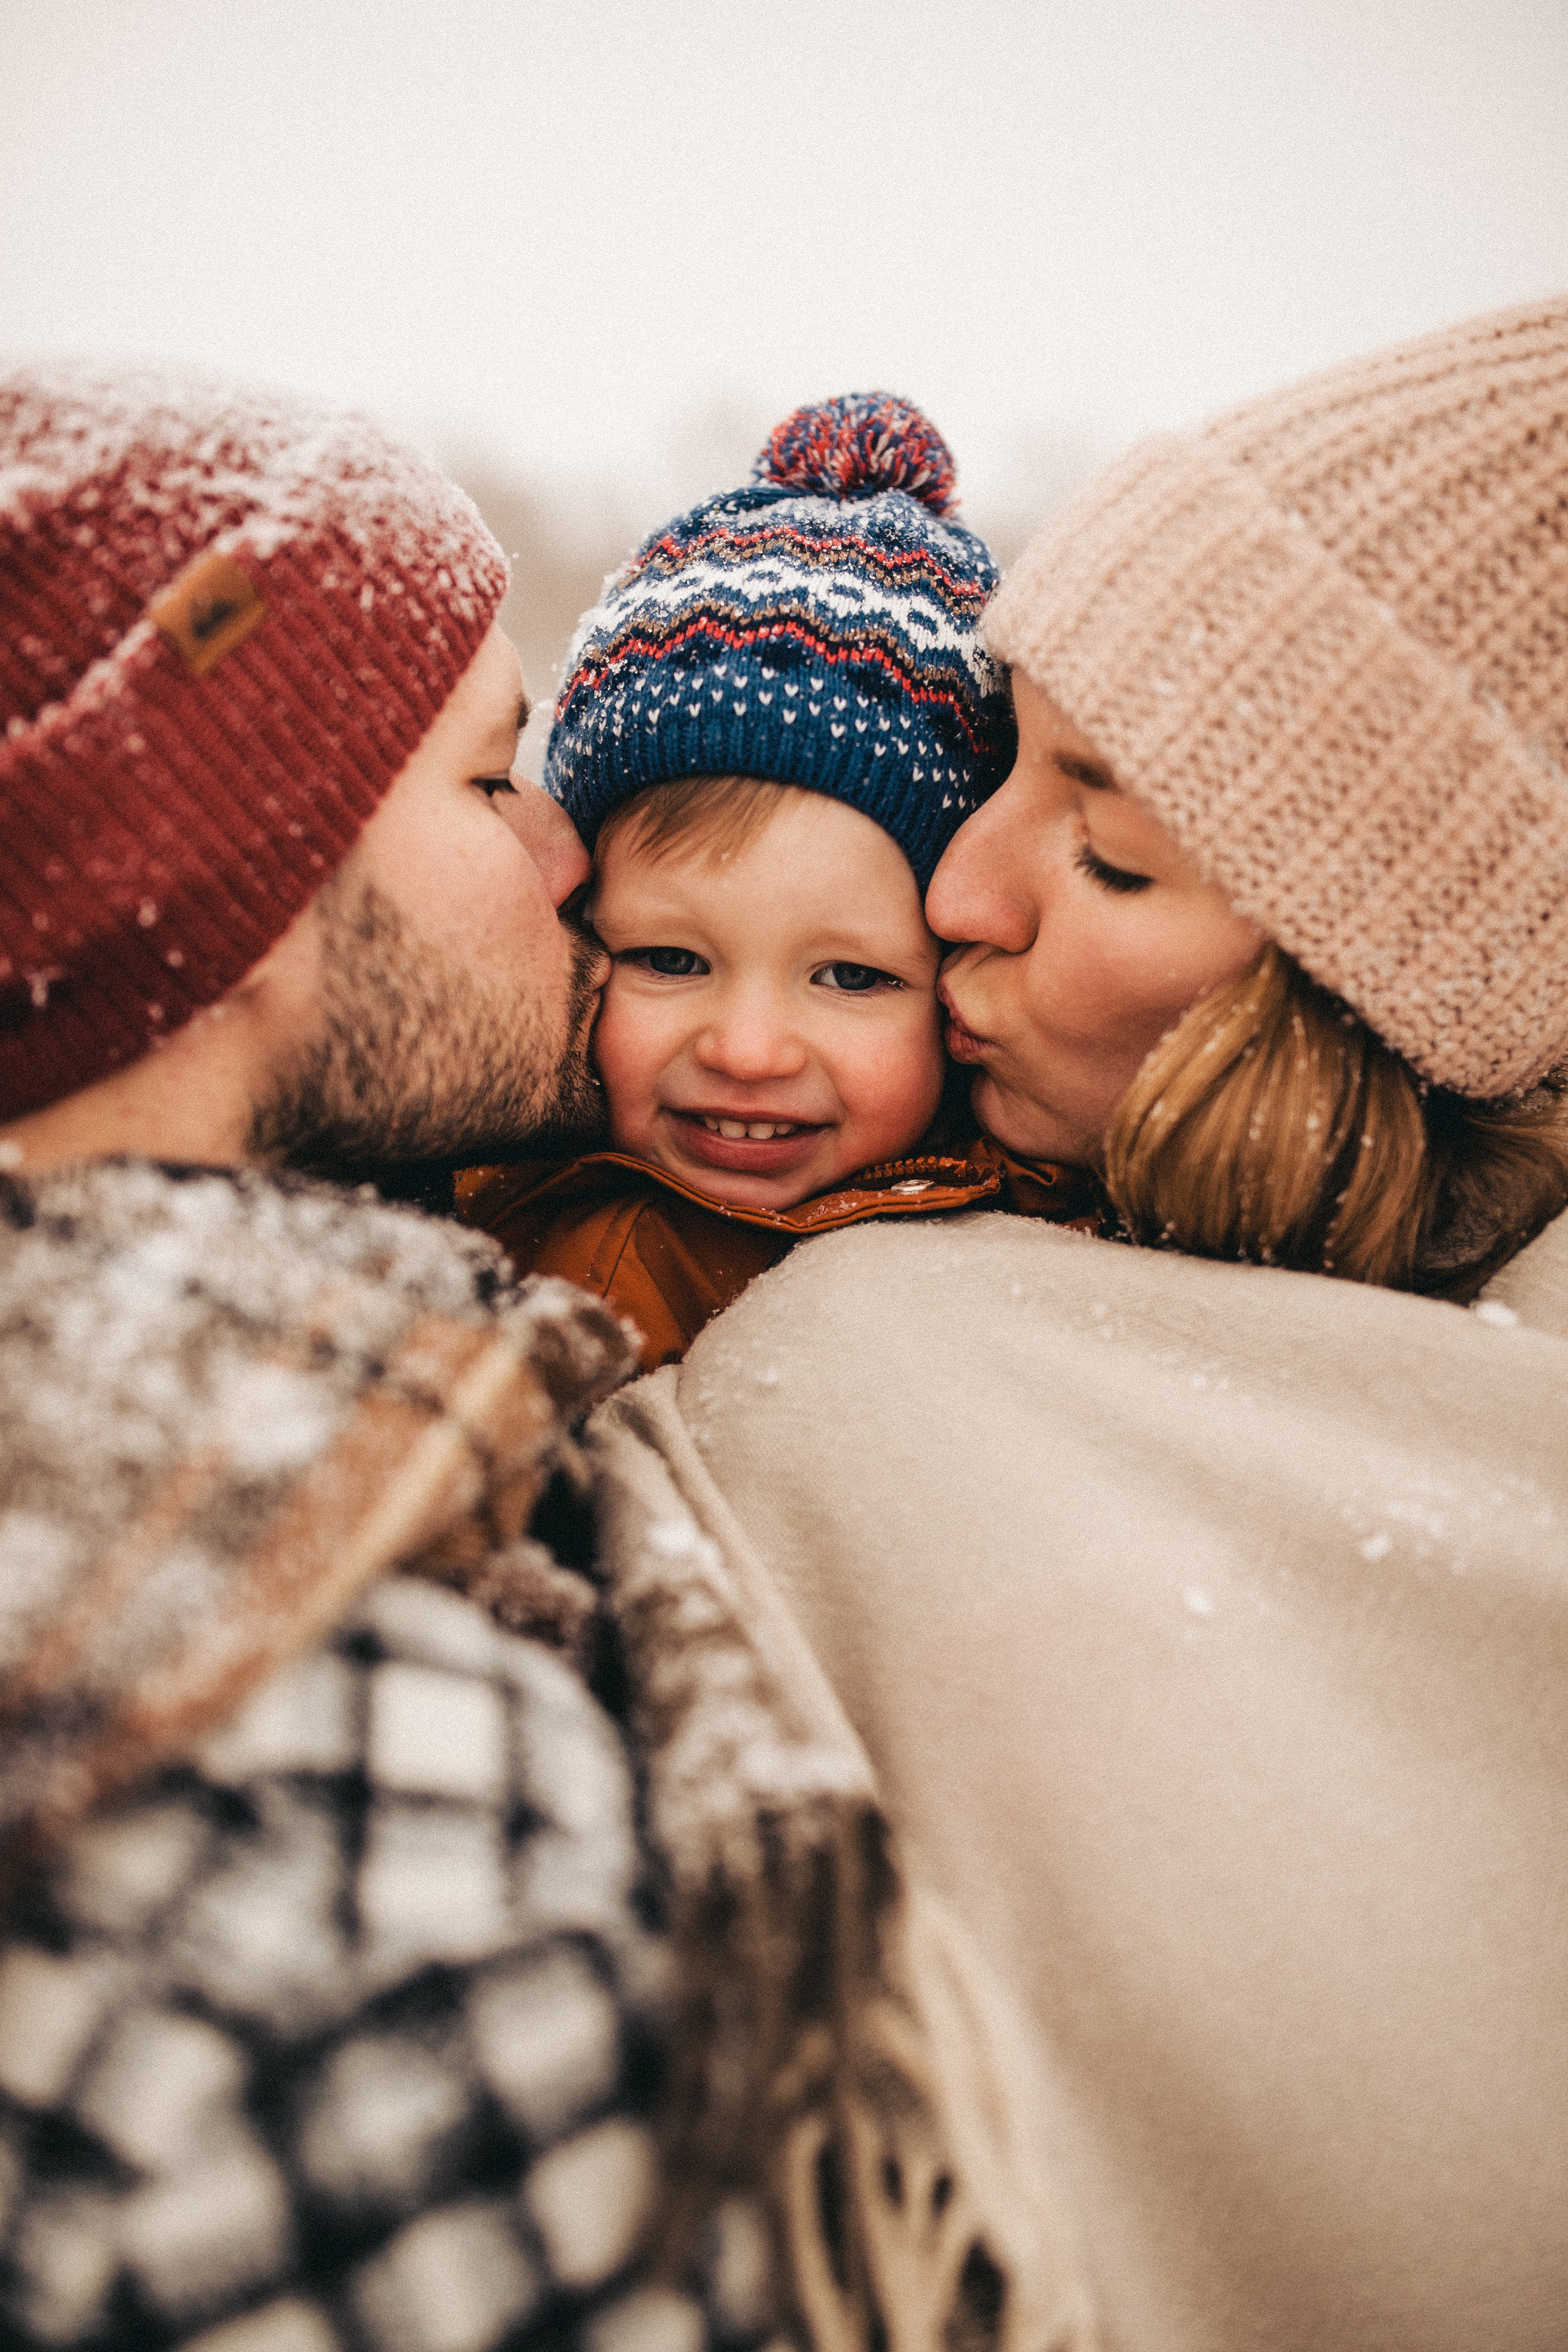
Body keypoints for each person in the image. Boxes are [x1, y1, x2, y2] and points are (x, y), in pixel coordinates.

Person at [0, 368, 1061, 2352]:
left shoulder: (360, 1368)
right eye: (503, 784)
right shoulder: (360, 1803)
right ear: (229, 877)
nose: (575, 870)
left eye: (850, 970)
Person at [596, 296, 1568, 2350]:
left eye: (1111, 853)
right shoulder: (768, 1284)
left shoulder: (890, 1354)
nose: (955, 894)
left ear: (1373, 992)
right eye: (1007, 761)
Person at [459, 395, 1096, 1370]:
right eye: (671, 959)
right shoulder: (588, 1288)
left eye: (850, 977)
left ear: (961, 975)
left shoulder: (1073, 1174)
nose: (748, 1052)